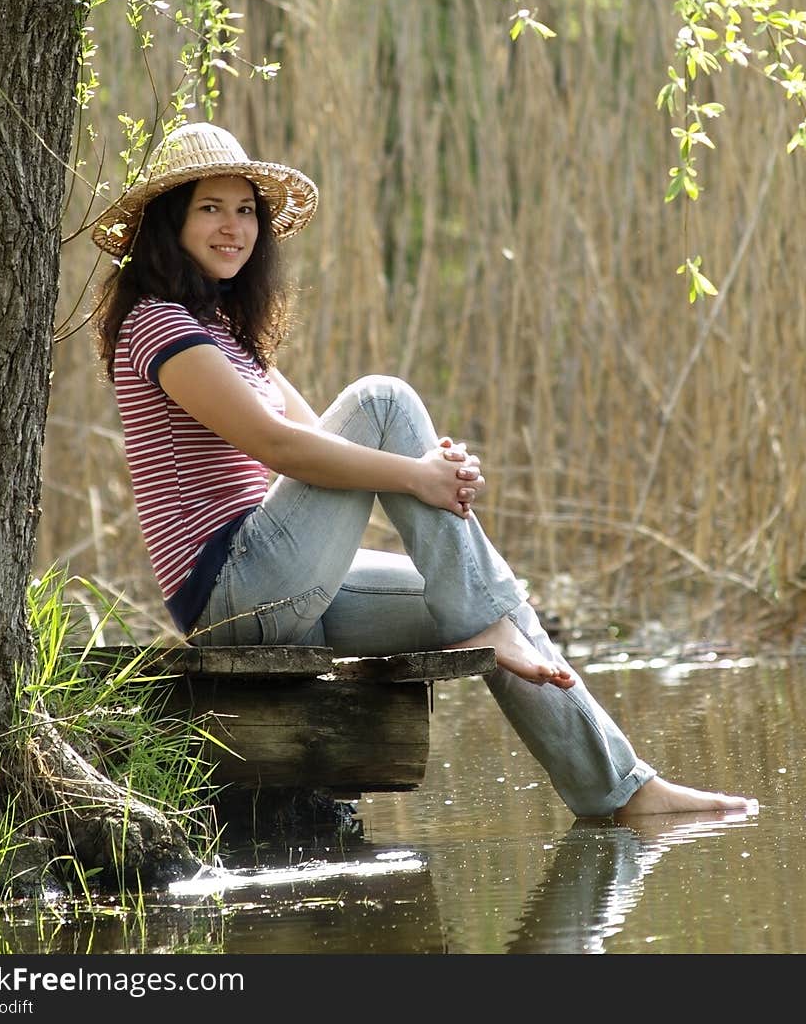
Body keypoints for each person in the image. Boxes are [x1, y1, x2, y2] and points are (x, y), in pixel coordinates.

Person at [92, 121, 757, 821]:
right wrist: (416, 477)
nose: (234, 227)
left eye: (246, 210)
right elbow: (281, 447)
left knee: (490, 601)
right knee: (384, 400)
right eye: (210, 208)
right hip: (233, 591)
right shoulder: (157, 324)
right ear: (171, 220)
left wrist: (426, 476)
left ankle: (621, 793)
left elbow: (333, 461)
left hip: (284, 579)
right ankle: (492, 629)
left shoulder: (229, 335)